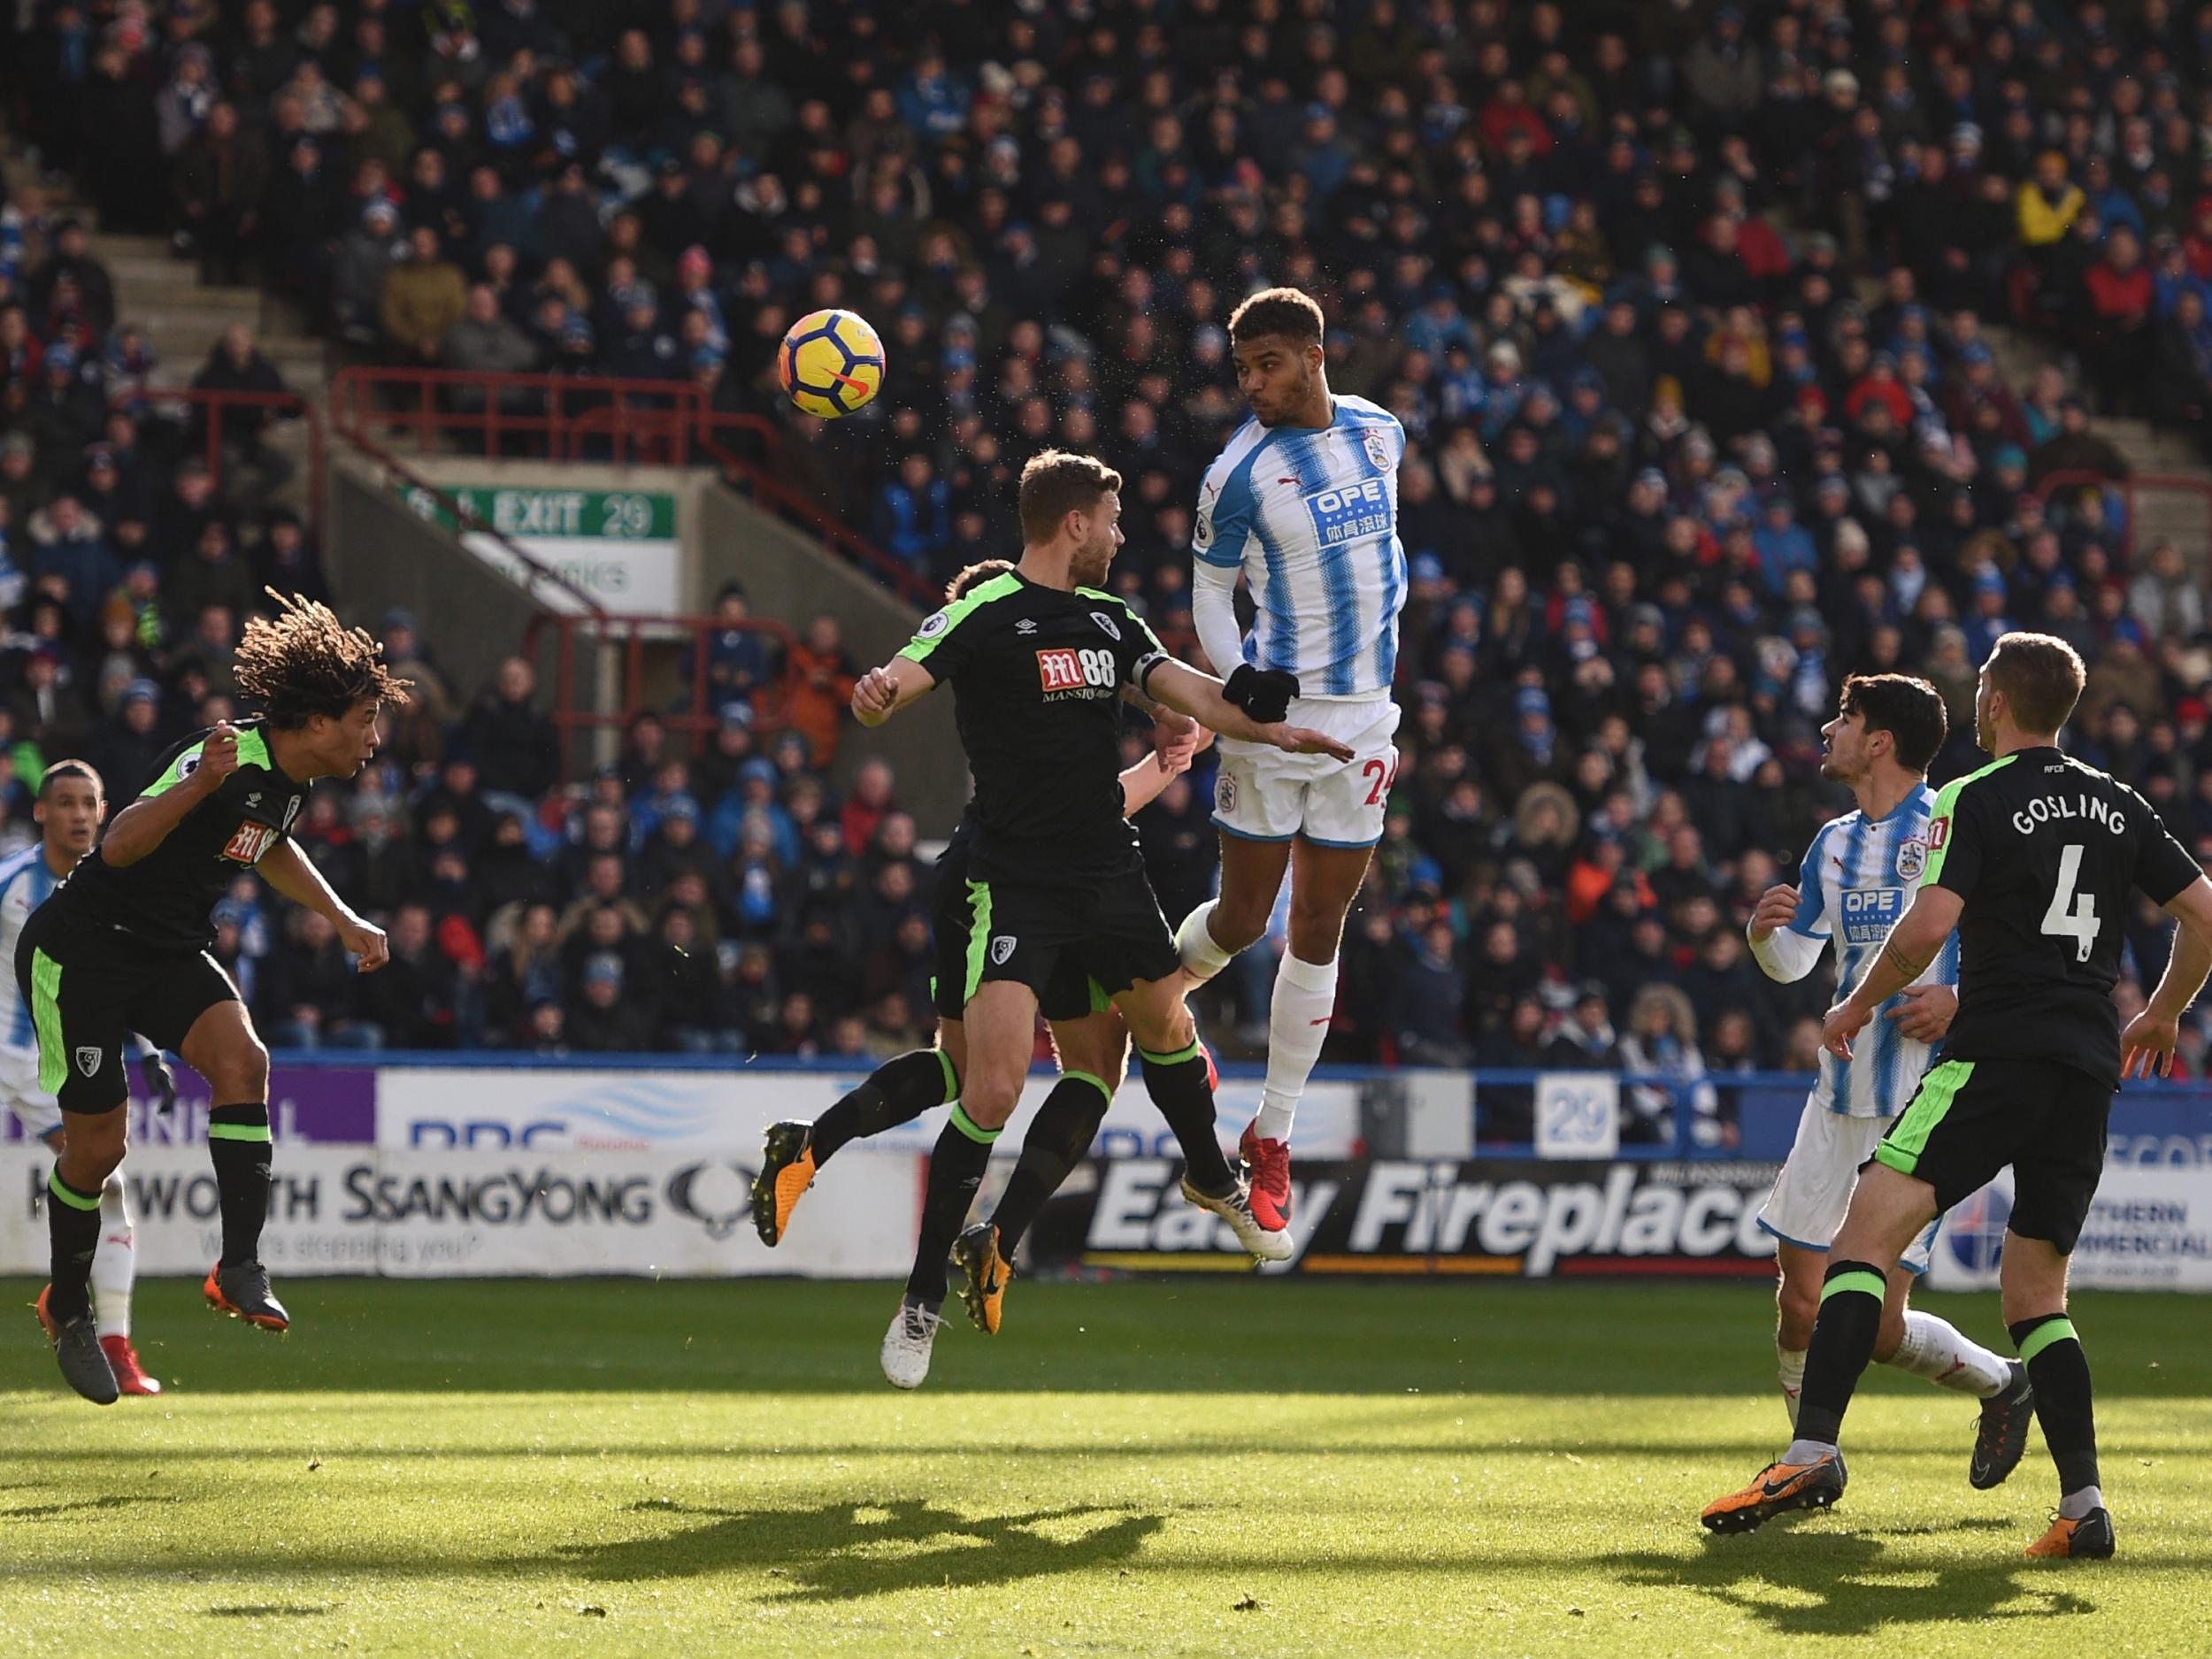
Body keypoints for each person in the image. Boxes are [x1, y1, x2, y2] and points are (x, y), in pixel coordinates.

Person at [830, 451, 1350, 1382]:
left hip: (1105, 867)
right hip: (1015, 878)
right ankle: (918, 1303)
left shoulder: (1111, 622)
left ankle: (1212, 1176)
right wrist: (876, 695)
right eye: (1110, 518)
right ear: (1073, 522)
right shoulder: (986, 614)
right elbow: (909, 670)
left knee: (1165, 1023)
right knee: (986, 1091)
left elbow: (1178, 688)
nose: (1118, 533)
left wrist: (1258, 719)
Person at [1704, 634, 2212, 1559]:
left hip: (1992, 1054)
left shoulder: (1972, 798)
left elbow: (1928, 925)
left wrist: (1857, 1004)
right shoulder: (2117, 802)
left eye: (1980, 689)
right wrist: (2164, 1015)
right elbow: (2204, 912)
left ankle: (1812, 1449)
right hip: (2088, 1063)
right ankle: (2082, 1508)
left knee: (1863, 1234)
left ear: (1995, 702)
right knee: (2036, 1296)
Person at [753, 553, 1208, 1387]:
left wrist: (1167, 762)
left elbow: (1083, 804)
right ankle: (918, 1239)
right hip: (992, 882)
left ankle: (948, 1218)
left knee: (1079, 1066)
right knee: (987, 1081)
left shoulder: (1051, 647)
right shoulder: (997, 644)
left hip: (1050, 875)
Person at [23, 594, 410, 1404]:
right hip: (84, 950)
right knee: (97, 1150)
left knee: (245, 1060)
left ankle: (237, 1264)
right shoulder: (224, 751)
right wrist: (202, 781)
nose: (374, 738)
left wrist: (340, 919)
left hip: (162, 950)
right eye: (366, 719)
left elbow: (267, 847)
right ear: (317, 721)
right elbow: (120, 843)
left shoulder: (291, 780)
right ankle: (68, 1305)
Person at [1170, 287, 1408, 1236]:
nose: (1253, 386)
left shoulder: (1382, 433)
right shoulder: (1237, 473)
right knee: (1241, 917)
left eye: (1268, 366)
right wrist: (1241, 681)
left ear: (1314, 356)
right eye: (1242, 371)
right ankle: (1157, 995)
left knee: (1321, 921)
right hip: (1273, 728)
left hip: (1363, 726)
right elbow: (1208, 596)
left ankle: (1270, 1136)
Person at [1744, 673, 2027, 1459]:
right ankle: (1811, 1460)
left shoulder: (1951, 820)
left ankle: (2002, 1381)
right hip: (1836, 1092)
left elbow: (2023, 942)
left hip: (1920, 1096)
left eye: (1846, 718)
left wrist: (1962, 1000)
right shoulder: (1832, 842)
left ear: (1880, 741)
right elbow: (1796, 959)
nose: (1829, 729)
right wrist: (1765, 937)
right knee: (1800, 1302)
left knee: (1874, 1323)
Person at [0, 762, 176, 1395]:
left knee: (108, 1184)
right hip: (6, 1051)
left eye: (88, 804)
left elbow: (123, 977)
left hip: (45, 1067)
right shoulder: (11, 882)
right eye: (65, 803)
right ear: (42, 812)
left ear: (104, 813)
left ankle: (113, 1343)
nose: (78, 814)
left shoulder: (115, 888)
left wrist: (151, 1048)